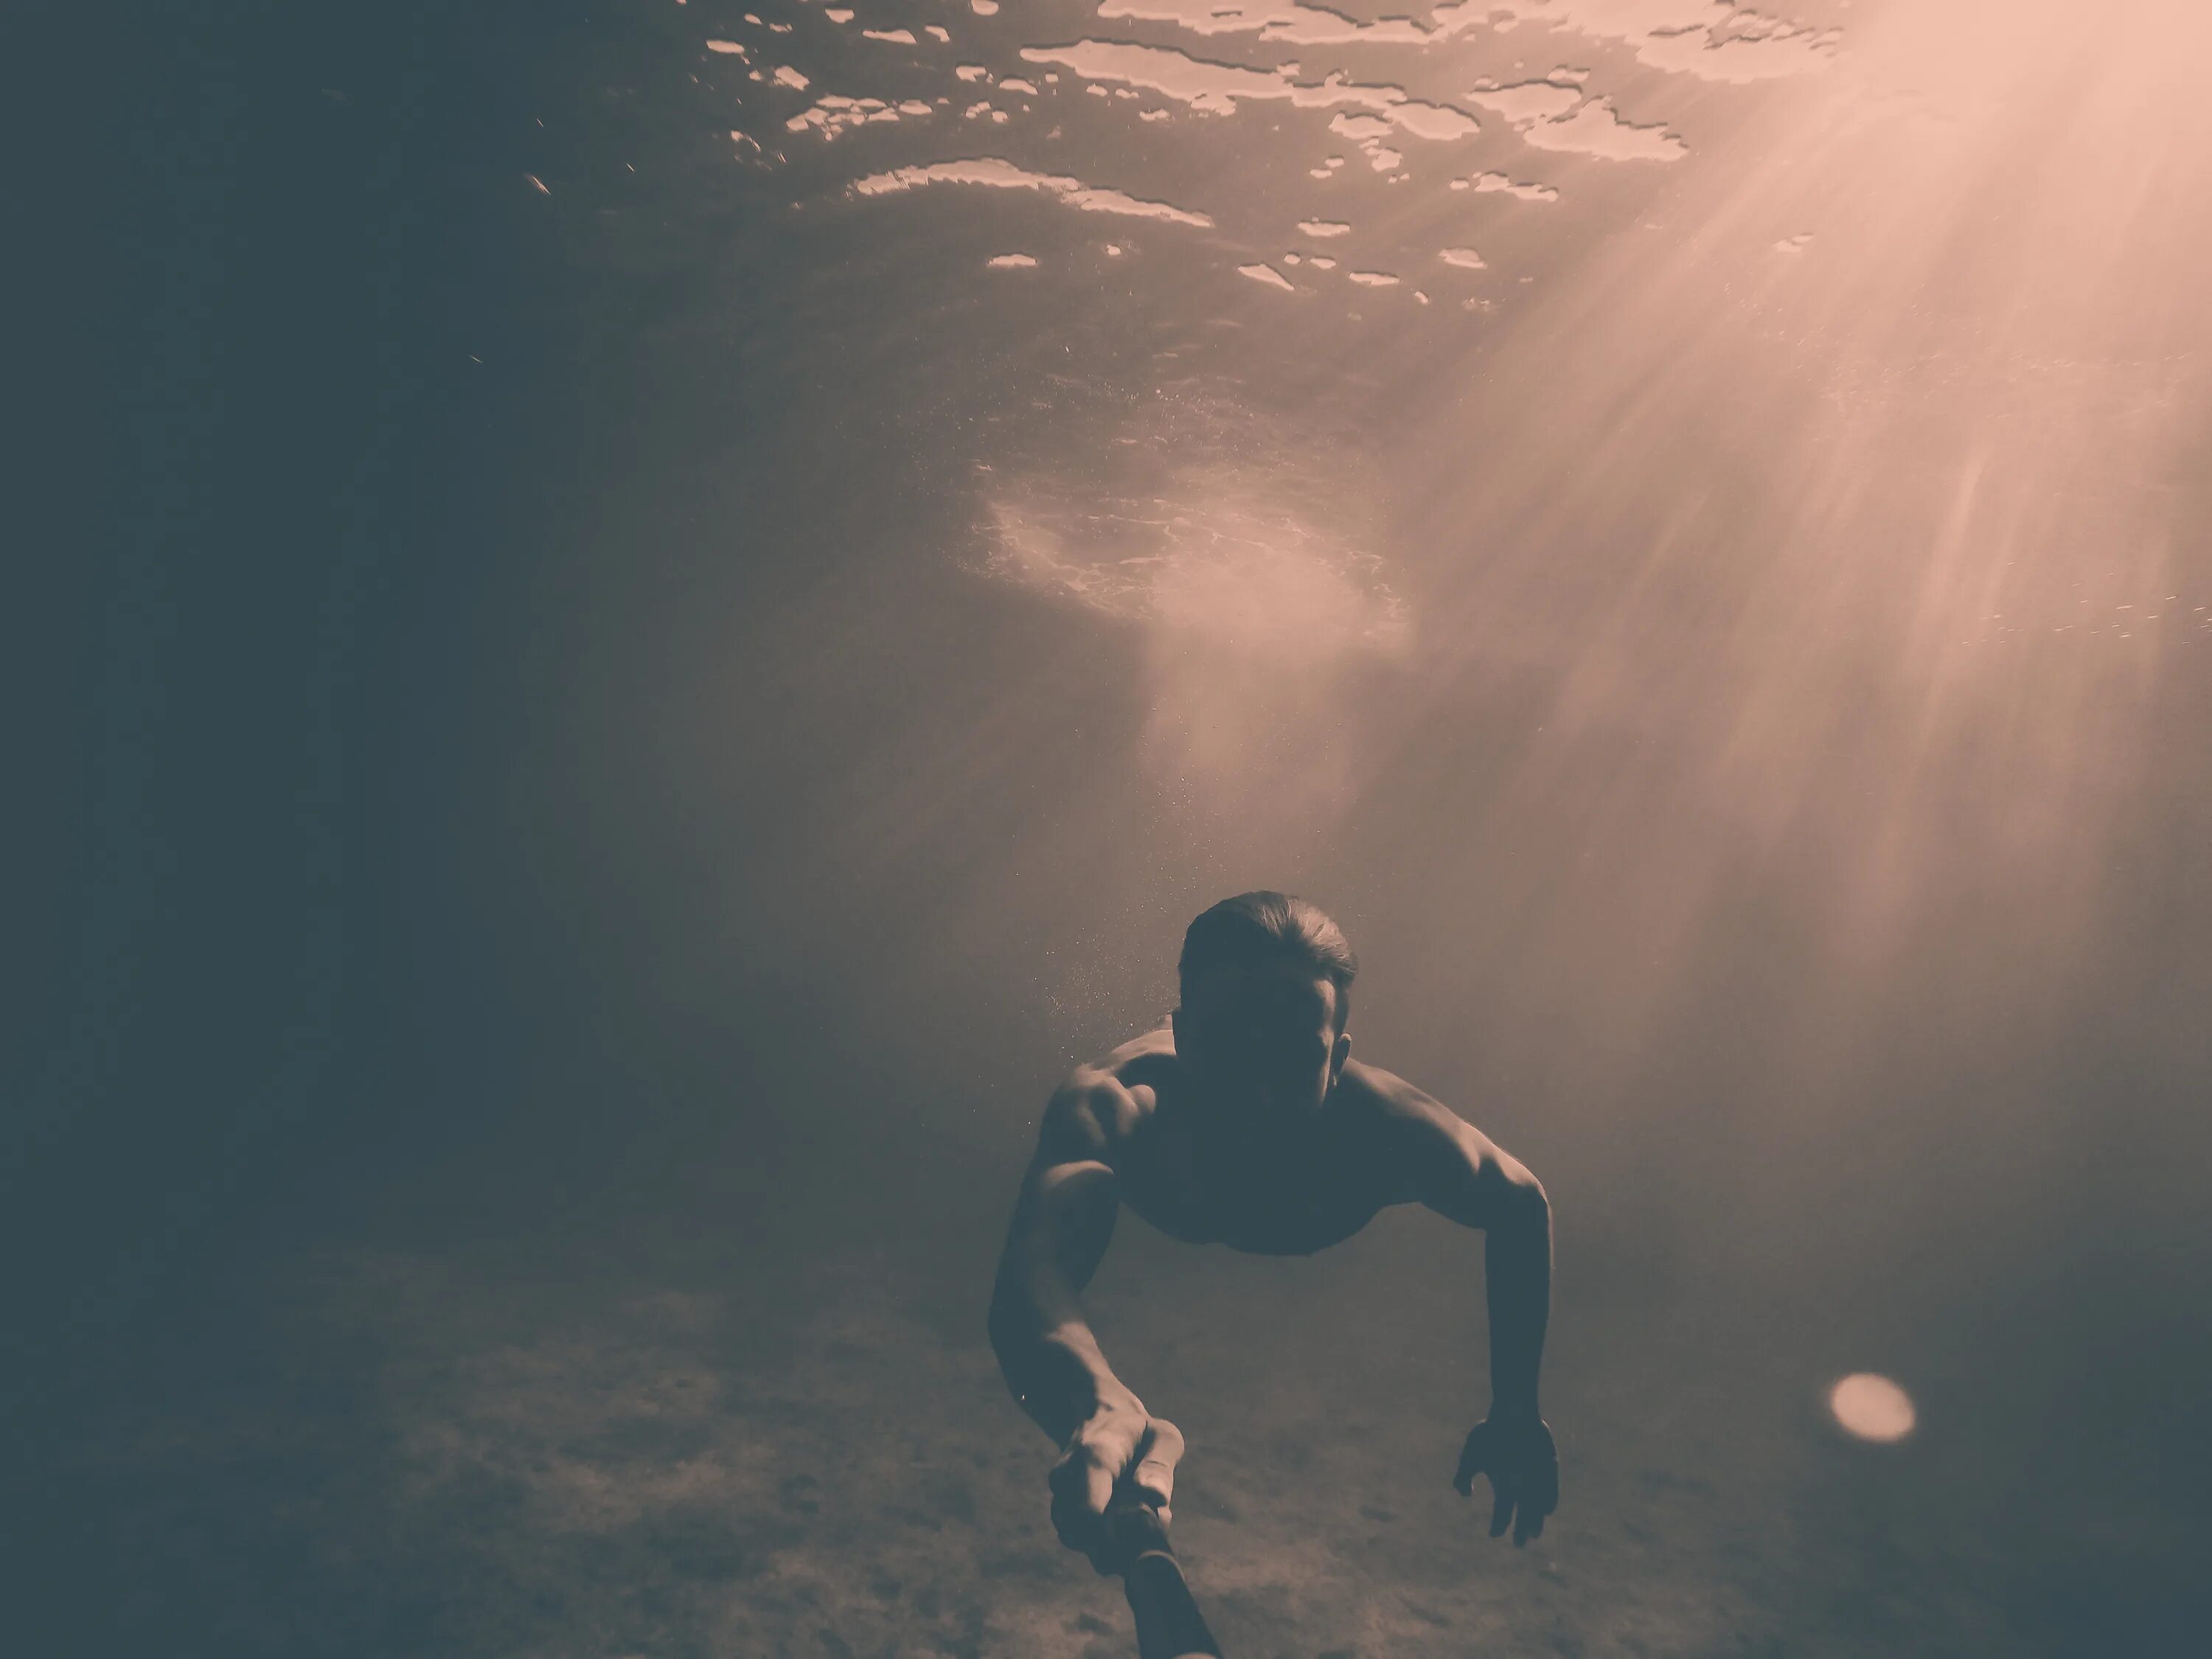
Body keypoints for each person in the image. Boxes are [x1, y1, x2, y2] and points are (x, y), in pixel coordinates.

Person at [987, 891, 1559, 1576]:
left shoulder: (1384, 1132)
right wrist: (1099, 1398)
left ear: (1338, 1059)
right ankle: (1120, 1425)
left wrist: (1517, 1408)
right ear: (1181, 1033)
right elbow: (1031, 1277)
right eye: (1229, 1050)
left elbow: (1521, 1202)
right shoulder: (1119, 1103)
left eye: (1293, 1059)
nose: (1255, 1096)